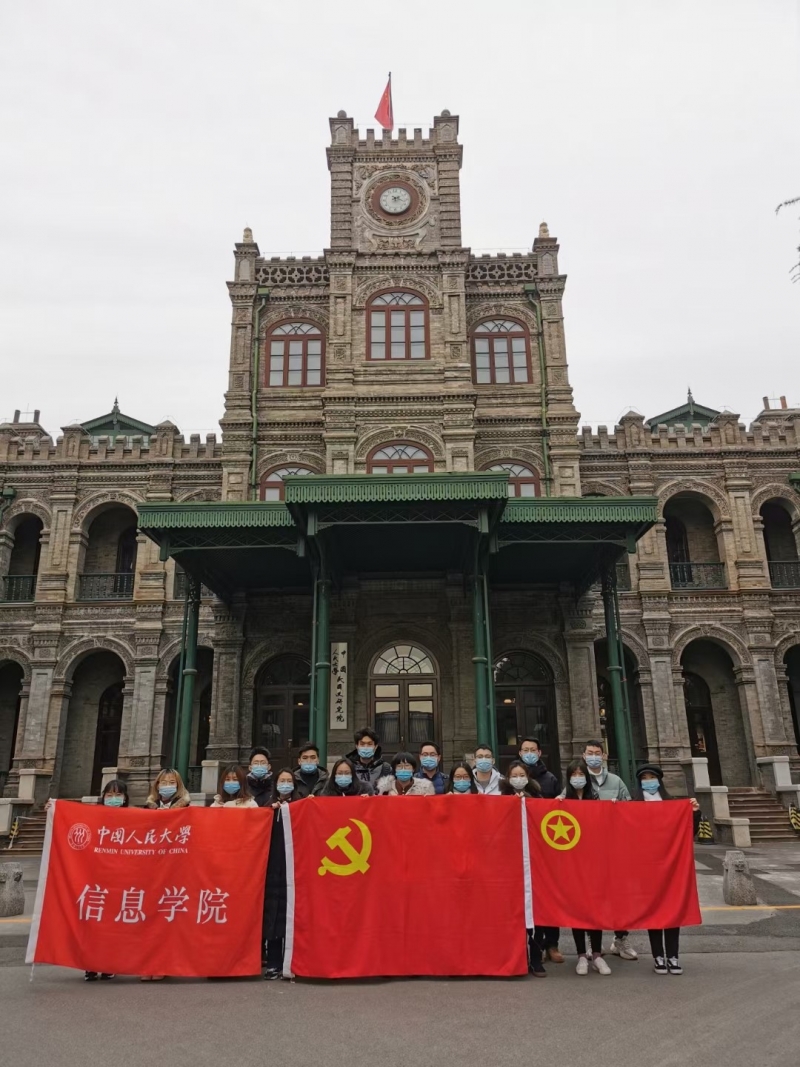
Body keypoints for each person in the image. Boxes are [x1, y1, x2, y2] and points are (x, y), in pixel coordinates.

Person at [635, 764, 701, 976]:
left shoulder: (672, 804)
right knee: (653, 911)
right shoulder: (633, 805)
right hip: (646, 866)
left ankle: (673, 955)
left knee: (672, 910)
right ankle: (658, 956)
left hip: (671, 865)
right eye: (644, 778)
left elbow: (689, 832)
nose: (648, 781)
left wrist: (694, 813)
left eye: (652, 777)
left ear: (659, 780)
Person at [582, 739, 637, 962]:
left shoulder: (616, 781)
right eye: (590, 753)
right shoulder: (577, 781)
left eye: (597, 753)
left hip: (614, 848)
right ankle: (592, 942)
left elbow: (630, 810)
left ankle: (621, 939)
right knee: (590, 897)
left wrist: (619, 808)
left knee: (619, 896)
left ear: (604, 756)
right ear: (583, 756)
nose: (594, 756)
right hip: (588, 850)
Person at [559, 759, 610, 976]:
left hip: (593, 863)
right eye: (574, 774)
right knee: (577, 910)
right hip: (572, 864)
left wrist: (613, 808)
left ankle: (597, 955)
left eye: (581, 774)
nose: (578, 777)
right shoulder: (563, 800)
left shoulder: (595, 799)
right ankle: (581, 955)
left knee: (595, 909)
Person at [518, 738, 563, 962]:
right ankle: (531, 946)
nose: (529, 753)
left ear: (539, 752)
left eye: (532, 750)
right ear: (519, 753)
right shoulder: (514, 779)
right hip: (520, 847)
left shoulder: (550, 779)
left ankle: (552, 944)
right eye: (525, 750)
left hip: (545, 846)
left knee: (549, 895)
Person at [500, 760, 546, 977]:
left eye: (521, 775)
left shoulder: (537, 798)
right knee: (515, 913)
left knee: (536, 912)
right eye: (514, 775)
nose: (518, 779)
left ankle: (536, 956)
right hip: (509, 863)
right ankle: (519, 957)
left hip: (534, 862)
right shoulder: (500, 799)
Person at [84, 780, 130, 980]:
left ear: (125, 798)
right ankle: (90, 964)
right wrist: (54, 810)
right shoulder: (93, 816)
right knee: (93, 924)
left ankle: (109, 964)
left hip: (121, 880)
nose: (113, 799)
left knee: (114, 925)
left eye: (118, 795)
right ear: (103, 797)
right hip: (96, 878)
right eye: (109, 795)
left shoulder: (134, 818)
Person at [263, 769, 298, 979]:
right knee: (273, 914)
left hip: (295, 867)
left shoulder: (301, 805)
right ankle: (274, 962)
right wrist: (270, 811)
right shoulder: (268, 807)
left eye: (289, 780)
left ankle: (293, 961)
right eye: (282, 780)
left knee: (294, 914)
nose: (285, 784)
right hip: (273, 868)